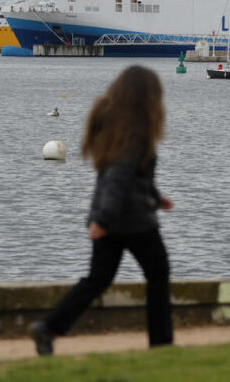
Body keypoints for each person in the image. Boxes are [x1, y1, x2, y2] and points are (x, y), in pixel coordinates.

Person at [30, 65, 174, 356]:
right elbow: (119, 177)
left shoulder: (113, 125)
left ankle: (48, 328)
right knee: (158, 275)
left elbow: (124, 177)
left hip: (112, 215)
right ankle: (161, 345)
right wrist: (104, 220)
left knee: (97, 280)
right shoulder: (136, 131)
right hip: (132, 221)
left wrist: (156, 198)